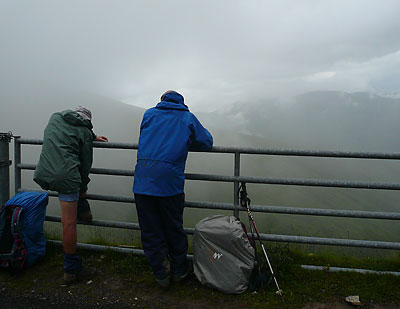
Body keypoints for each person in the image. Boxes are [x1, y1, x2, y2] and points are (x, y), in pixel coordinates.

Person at [133, 90, 213, 288]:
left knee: (150, 230)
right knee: (173, 228)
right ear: (182, 102)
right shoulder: (187, 117)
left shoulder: (149, 114)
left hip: (143, 180)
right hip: (170, 184)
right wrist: (186, 140)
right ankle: (179, 271)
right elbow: (207, 142)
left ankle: (161, 273)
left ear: (161, 101)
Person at [34, 106, 108, 285]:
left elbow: (72, 130)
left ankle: (83, 209)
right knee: (68, 223)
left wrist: (91, 136)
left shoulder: (55, 118)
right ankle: (71, 270)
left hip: (44, 172)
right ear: (88, 122)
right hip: (66, 177)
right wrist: (83, 189)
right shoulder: (84, 131)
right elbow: (84, 166)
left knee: (71, 209)